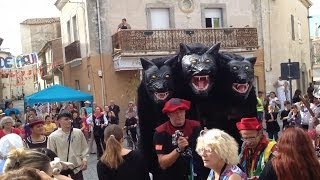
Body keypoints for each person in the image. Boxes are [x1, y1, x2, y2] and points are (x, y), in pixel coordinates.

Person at [153, 98, 207, 180]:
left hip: (197, 174)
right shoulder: (161, 132)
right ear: (168, 114)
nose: (179, 115)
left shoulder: (196, 126)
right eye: (175, 112)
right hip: (173, 176)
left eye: (181, 111)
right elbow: (162, 164)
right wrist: (178, 149)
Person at [47, 112, 89, 180]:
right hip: (61, 172)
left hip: (77, 169)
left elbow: (84, 148)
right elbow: (51, 155)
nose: (69, 121)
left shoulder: (78, 132)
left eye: (70, 119)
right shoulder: (53, 137)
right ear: (59, 121)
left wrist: (84, 159)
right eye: (66, 119)